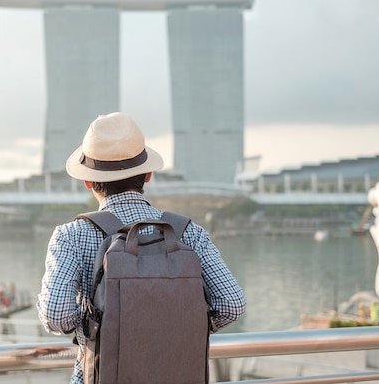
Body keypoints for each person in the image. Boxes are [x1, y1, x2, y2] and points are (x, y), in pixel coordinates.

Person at [36, 112, 247, 384]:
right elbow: (232, 304)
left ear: (88, 180)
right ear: (147, 174)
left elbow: (56, 315)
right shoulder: (188, 233)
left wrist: (102, 325)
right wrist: (175, 324)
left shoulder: (71, 236)